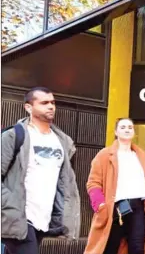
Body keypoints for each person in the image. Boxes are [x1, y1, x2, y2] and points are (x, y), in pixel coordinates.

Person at [1, 87, 80, 254]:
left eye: (52, 102)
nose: (51, 106)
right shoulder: (14, 136)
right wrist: (9, 204)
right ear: (28, 107)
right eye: (44, 103)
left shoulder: (62, 142)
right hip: (20, 218)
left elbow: (65, 184)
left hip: (43, 221)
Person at [84, 118, 145, 254]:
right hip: (116, 207)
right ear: (116, 132)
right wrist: (100, 205)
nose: (127, 130)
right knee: (109, 246)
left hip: (139, 207)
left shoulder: (141, 156)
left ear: (134, 132)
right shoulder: (104, 155)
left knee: (138, 248)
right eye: (123, 127)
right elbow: (93, 182)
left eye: (130, 127)